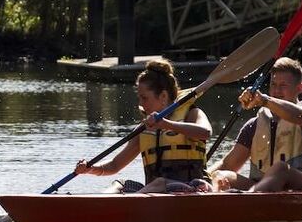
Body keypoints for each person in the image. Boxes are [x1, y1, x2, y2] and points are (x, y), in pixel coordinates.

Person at [74, 59, 213, 193]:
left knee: (160, 182)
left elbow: (205, 132)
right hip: (153, 194)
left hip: (194, 188)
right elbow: (115, 165)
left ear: (163, 96)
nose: (140, 103)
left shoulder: (192, 113)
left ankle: (131, 201)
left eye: (144, 98)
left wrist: (166, 124)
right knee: (121, 184)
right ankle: (101, 206)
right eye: (139, 97)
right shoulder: (145, 128)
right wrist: (89, 169)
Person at [210, 57, 302, 192]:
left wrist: (265, 100)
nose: (276, 91)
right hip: (261, 187)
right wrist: (202, 176)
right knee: (222, 175)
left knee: (280, 169)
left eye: (283, 86)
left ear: (299, 88)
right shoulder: (254, 125)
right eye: (273, 85)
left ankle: (251, 199)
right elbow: (228, 164)